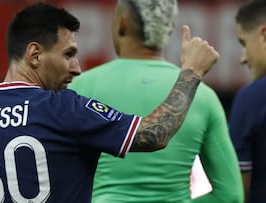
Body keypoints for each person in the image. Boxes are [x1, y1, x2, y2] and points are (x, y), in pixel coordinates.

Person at [0, 2, 219, 203]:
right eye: (68, 54)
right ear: (35, 54)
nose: (76, 67)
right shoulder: (65, 109)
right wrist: (191, 72)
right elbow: (155, 134)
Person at [68, 0, 243, 202]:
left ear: (122, 23)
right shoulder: (203, 95)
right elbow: (231, 196)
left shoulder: (80, 88)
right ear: (169, 29)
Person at [229, 1, 266, 203]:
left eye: (244, 43)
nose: (243, 58)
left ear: (264, 34)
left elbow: (235, 193)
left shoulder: (250, 100)